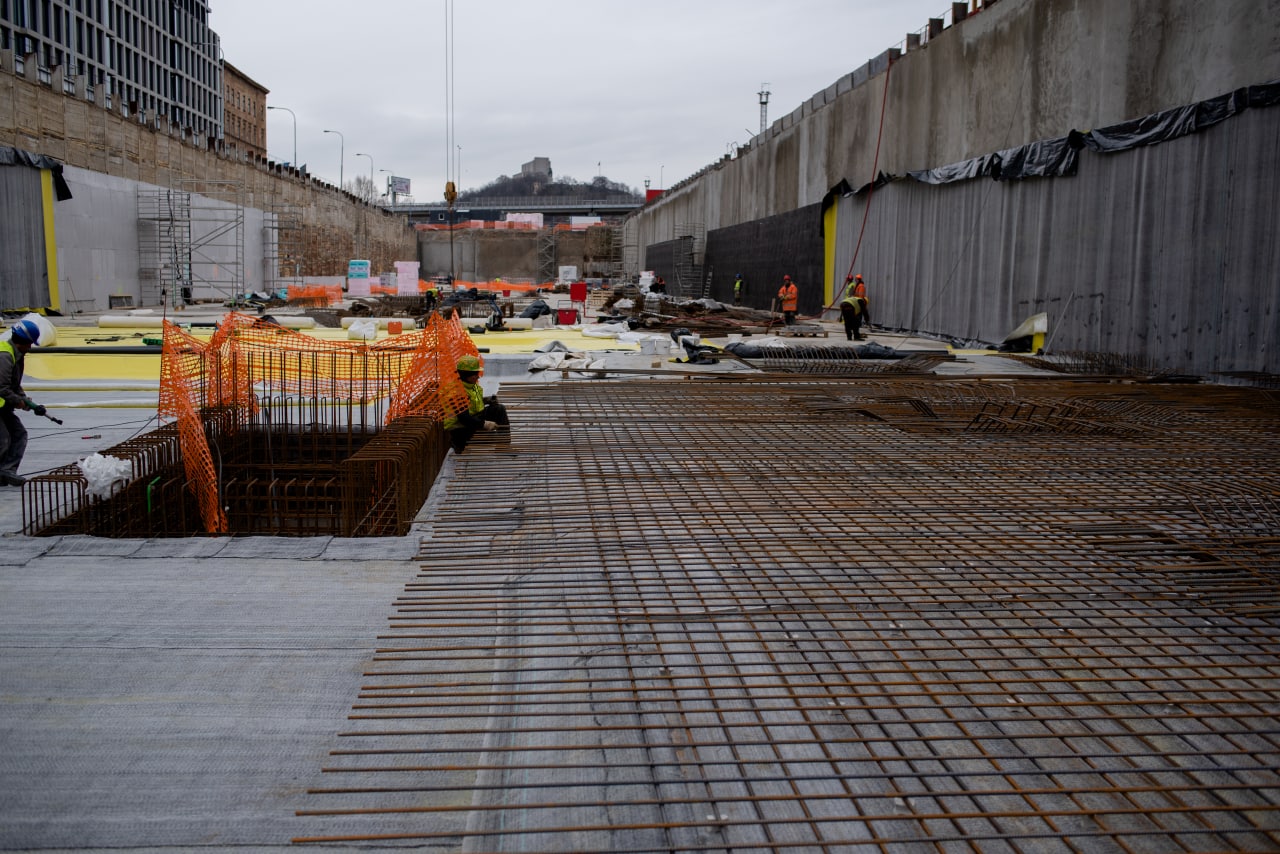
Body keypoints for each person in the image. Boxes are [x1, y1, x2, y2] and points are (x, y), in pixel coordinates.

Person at [0, 319, 43, 486]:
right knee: (3, 440)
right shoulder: (4, 356)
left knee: (19, 434)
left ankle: (7, 471)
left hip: (2, 407)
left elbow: (14, 385)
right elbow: (2, 387)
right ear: (22, 342)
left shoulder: (16, 354)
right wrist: (19, 401)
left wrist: (25, 400)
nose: (31, 347)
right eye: (30, 343)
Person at [443, 354, 509, 453]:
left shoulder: (470, 385)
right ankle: (458, 445)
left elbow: (471, 402)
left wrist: (485, 400)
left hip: (473, 418)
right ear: (466, 374)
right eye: (475, 374)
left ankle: (504, 447)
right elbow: (464, 418)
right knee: (492, 437)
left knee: (499, 409)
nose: (478, 376)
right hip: (460, 429)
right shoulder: (456, 392)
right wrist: (484, 424)